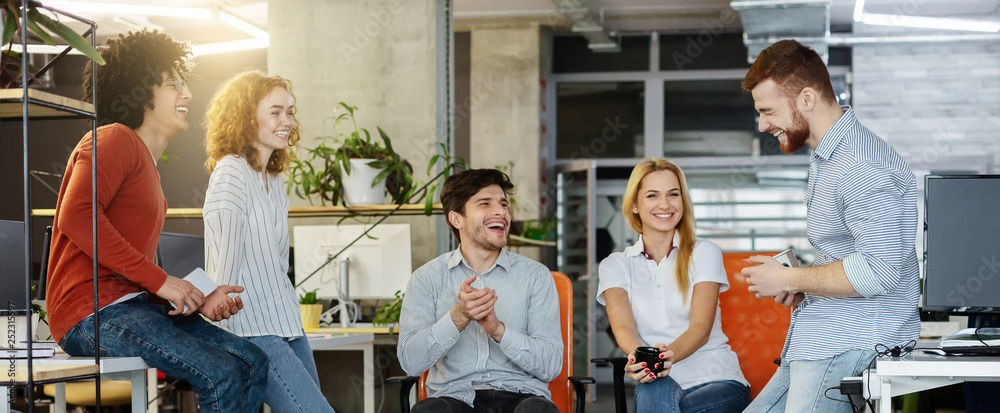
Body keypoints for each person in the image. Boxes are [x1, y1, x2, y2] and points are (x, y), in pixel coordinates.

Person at [46, 30, 268, 413]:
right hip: (92, 313)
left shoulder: (145, 163)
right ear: (139, 90)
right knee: (220, 373)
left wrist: (197, 295)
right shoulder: (113, 139)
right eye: (173, 84)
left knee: (251, 362)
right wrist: (163, 281)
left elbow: (135, 269)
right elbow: (76, 215)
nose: (187, 94)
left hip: (132, 306)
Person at [740, 39, 919, 412]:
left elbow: (879, 269)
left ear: (806, 98)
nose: (762, 124)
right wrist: (801, 284)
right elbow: (852, 255)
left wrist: (790, 278)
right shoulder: (829, 157)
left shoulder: (860, 164)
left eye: (768, 110)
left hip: (849, 340)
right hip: (822, 338)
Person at [202, 70, 334, 413]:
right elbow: (224, 264)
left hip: (286, 321)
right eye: (275, 112)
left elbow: (277, 264)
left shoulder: (273, 179)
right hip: (250, 326)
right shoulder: (230, 172)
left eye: (289, 112)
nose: (286, 121)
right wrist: (218, 334)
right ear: (245, 117)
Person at [396, 168, 562, 413]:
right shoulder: (426, 279)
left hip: (521, 396)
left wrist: (498, 330)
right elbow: (411, 363)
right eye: (485, 203)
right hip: (454, 398)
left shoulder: (536, 276)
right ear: (457, 219)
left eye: (503, 205)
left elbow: (551, 365)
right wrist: (457, 318)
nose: (501, 212)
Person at [597, 158, 750, 413]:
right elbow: (623, 326)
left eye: (673, 194)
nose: (664, 204)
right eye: (652, 195)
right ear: (634, 204)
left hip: (718, 380)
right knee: (653, 387)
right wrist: (641, 359)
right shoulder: (615, 265)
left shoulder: (704, 252)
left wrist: (667, 356)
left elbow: (701, 327)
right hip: (657, 379)